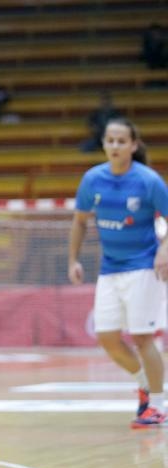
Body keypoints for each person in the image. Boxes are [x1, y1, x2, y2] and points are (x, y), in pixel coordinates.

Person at [69, 117, 168, 429]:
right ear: (104, 144)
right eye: (110, 140)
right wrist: (73, 259)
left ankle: (157, 405)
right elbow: (81, 220)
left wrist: (164, 249)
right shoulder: (92, 180)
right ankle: (144, 383)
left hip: (143, 268)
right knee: (108, 338)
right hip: (109, 269)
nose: (114, 146)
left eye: (121, 141)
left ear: (133, 145)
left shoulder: (149, 181)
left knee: (142, 338)